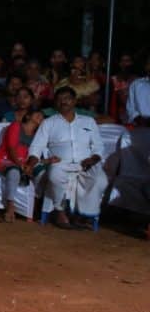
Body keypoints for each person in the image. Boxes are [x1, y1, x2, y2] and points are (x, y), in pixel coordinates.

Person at [27, 87, 107, 229]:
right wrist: (31, 162)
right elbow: (36, 146)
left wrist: (93, 158)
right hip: (60, 162)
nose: (63, 102)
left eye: (67, 98)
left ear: (74, 101)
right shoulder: (49, 123)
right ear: (55, 103)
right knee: (54, 174)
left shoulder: (88, 122)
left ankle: (82, 214)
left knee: (100, 179)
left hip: (86, 162)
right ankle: (60, 210)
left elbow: (99, 146)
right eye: (59, 99)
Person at [0, 111, 45, 223]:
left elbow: (36, 154)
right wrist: (20, 165)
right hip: (7, 159)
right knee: (14, 171)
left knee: (41, 173)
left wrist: (29, 166)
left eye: (42, 116)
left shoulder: (38, 135)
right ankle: (10, 206)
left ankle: (36, 206)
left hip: (25, 163)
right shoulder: (16, 125)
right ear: (28, 115)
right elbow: (11, 148)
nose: (40, 116)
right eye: (37, 113)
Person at [126, 56, 150, 126]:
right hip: (141, 127)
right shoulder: (136, 84)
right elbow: (130, 110)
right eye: (149, 63)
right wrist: (139, 119)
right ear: (146, 67)